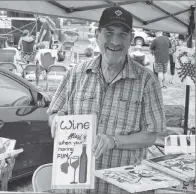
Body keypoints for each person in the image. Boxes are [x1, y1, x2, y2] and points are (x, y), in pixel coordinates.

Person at [47, 6, 166, 194]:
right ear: (97, 35)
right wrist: (57, 120)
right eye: (109, 33)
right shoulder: (76, 74)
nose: (115, 41)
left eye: (123, 35)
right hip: (78, 186)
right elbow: (54, 112)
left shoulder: (147, 81)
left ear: (130, 38)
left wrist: (113, 140)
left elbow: (151, 136)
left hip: (123, 188)